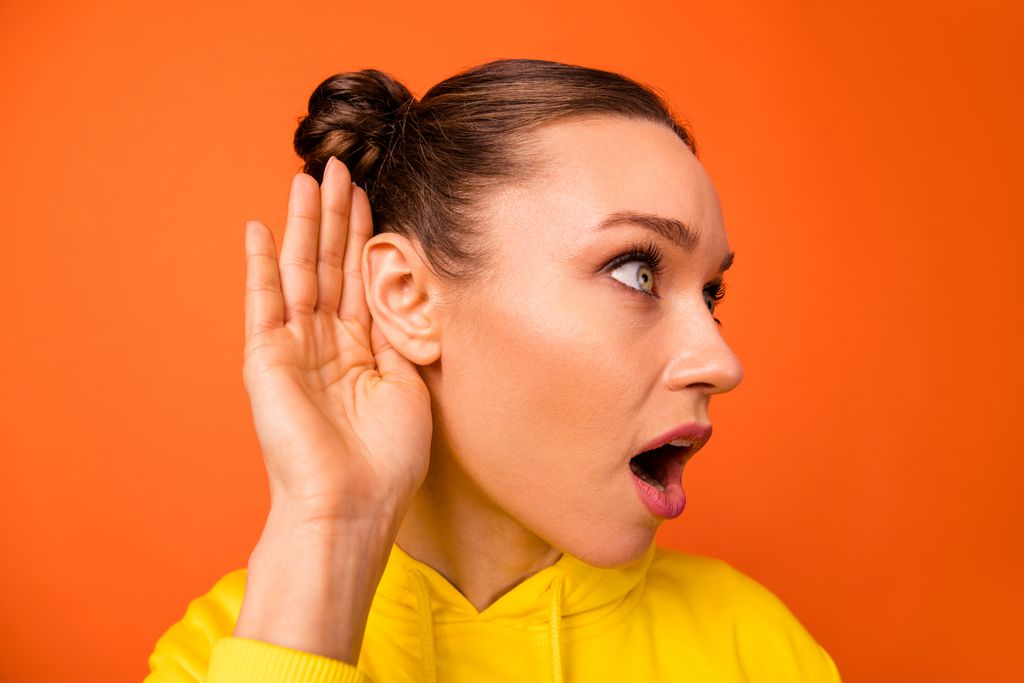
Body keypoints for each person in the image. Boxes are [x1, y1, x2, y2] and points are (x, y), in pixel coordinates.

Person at [144, 58, 841, 682]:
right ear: (408, 298)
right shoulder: (231, 651)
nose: (721, 362)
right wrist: (330, 529)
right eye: (638, 271)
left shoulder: (758, 651)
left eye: (711, 295)